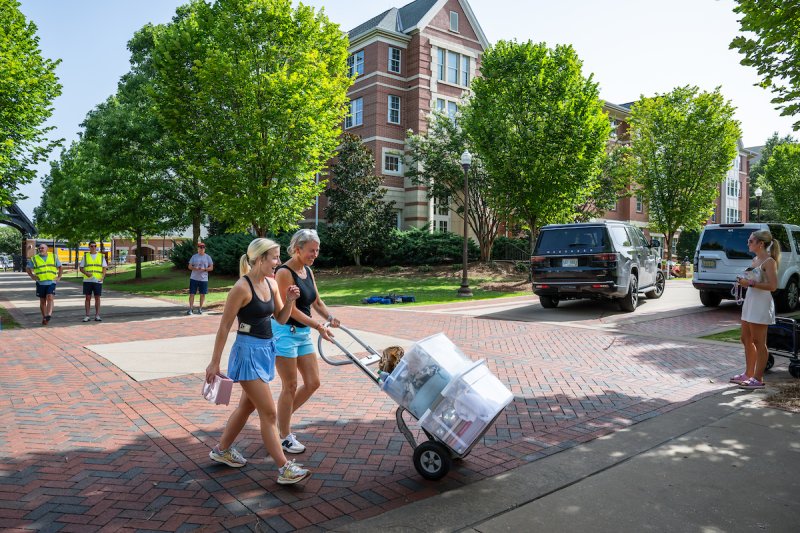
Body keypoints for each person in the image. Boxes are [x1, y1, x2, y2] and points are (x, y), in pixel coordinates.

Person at [205, 237, 311, 485]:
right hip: (246, 353)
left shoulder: (272, 284)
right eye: (274, 258)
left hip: (266, 350)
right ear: (260, 258)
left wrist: (291, 300)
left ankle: (221, 450)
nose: (277, 262)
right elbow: (223, 328)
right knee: (269, 412)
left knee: (247, 407)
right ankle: (285, 468)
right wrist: (214, 363)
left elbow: (282, 319)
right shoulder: (241, 288)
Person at [272, 229, 339, 455]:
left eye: (317, 250)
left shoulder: (308, 271)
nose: (315, 254)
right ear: (298, 249)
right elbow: (287, 310)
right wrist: (318, 326)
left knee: (313, 382)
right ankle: (284, 436)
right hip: (284, 332)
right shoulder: (283, 272)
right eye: (312, 250)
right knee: (290, 386)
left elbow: (316, 302)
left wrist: (329, 317)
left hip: (302, 335)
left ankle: (280, 420)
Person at [731, 230, 780, 390]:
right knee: (746, 339)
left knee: (759, 341)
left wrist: (750, 284)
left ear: (761, 243)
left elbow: (773, 286)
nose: (748, 243)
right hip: (750, 302)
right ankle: (748, 374)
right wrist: (743, 281)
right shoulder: (755, 259)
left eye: (751, 241)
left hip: (761, 304)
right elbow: (753, 280)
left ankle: (758, 378)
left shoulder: (769, 262)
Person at [26, 243, 63, 326]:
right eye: (39, 248)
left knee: (50, 297)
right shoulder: (34, 258)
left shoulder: (53, 257)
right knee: (42, 301)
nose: (41, 249)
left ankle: (49, 315)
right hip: (40, 283)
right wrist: (32, 276)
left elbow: (60, 267)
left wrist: (59, 277)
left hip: (51, 282)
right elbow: (27, 268)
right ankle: (44, 317)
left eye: (42, 248)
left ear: (47, 249)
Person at [79, 242, 108, 322]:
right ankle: (87, 316)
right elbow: (81, 268)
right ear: (89, 247)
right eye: (91, 246)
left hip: (98, 280)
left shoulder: (101, 256)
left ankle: (97, 315)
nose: (93, 247)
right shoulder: (85, 256)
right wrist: (86, 273)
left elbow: (104, 268)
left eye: (95, 246)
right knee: (87, 298)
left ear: (96, 247)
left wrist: (103, 277)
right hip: (87, 280)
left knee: (97, 298)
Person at [187, 242, 213, 315]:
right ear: (198, 248)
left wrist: (205, 269)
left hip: (204, 279)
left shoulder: (208, 257)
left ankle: (200, 308)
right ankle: (191, 309)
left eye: (203, 248)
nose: (202, 249)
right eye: (200, 247)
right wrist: (194, 268)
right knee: (192, 293)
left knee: (202, 294)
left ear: (205, 249)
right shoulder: (194, 257)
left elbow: (211, 268)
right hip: (194, 278)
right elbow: (189, 266)